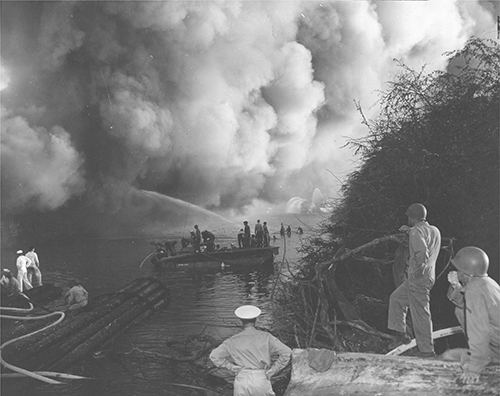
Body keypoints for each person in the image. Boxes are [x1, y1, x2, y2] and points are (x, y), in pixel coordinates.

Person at [387, 203, 441, 357]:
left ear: (412, 217)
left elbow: (422, 253)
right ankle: (401, 335)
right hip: (428, 276)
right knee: (396, 299)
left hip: (419, 278)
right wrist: (409, 230)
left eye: (408, 217)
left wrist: (416, 271)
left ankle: (427, 350)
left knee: (420, 313)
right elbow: (423, 238)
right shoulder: (434, 230)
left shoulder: (416, 232)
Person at [443, 247, 500, 384]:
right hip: (494, 347)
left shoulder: (474, 291)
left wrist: (474, 369)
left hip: (492, 349)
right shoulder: (486, 283)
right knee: (450, 355)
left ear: (465, 272)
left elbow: (480, 332)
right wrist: (457, 286)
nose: (456, 272)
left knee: (448, 356)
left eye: (458, 269)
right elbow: (464, 307)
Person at [209, 305, 292, 396]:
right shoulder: (266, 337)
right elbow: (287, 352)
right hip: (260, 378)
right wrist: (273, 370)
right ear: (255, 319)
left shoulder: (232, 340)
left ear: (241, 321)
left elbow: (214, 356)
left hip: (242, 378)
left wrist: (231, 367)